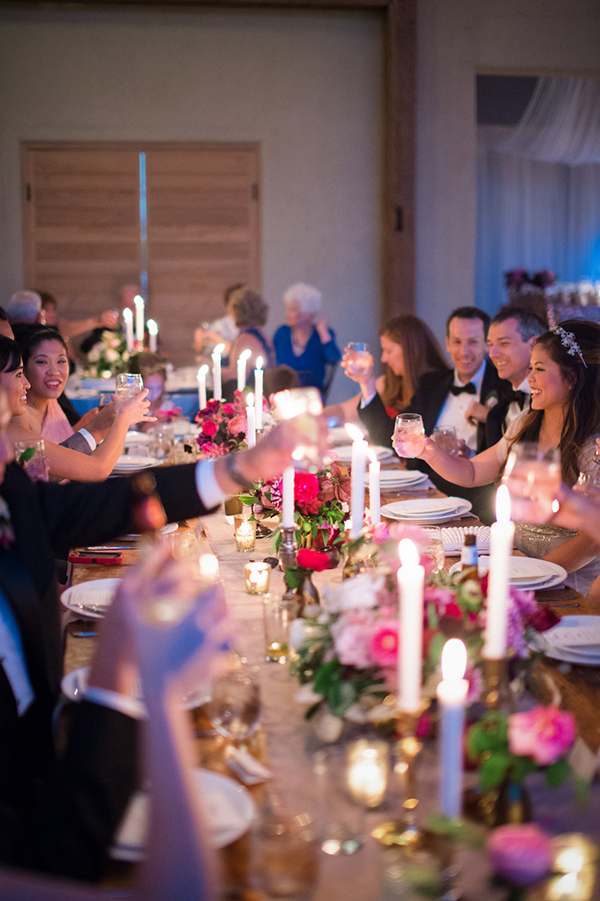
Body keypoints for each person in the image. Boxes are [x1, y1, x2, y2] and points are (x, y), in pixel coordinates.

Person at [0, 380, 325, 881]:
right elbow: (56, 856)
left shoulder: (10, 491)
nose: (14, 446)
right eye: (0, 426)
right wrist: (121, 671)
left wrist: (238, 469)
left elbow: (93, 506)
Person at [419, 321, 600, 593]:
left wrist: (531, 574)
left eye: (539, 369)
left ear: (572, 378)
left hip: (566, 589)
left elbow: (592, 541)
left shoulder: (592, 445)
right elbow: (472, 472)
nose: (531, 379)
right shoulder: (526, 424)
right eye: (531, 369)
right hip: (520, 568)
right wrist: (427, 451)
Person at [3, 335, 152, 481]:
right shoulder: (11, 431)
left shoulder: (51, 402)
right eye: (18, 374)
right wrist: (122, 418)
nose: (26, 384)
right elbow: (98, 469)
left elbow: (43, 474)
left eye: (61, 361)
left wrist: (95, 429)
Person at [328, 314, 449, 430]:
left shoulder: (439, 387)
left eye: (389, 351)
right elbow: (345, 411)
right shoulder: (387, 383)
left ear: (410, 351)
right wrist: (317, 418)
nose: (383, 359)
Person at [18, 328, 112, 450]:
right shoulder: (19, 417)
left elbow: (59, 445)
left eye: (61, 361)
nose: (54, 371)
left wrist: (84, 426)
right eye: (42, 362)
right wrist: (94, 431)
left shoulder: (50, 401)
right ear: (23, 368)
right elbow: (42, 463)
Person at [485, 306, 545, 446]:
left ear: (533, 345)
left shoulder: (554, 400)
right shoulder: (498, 408)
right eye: (491, 345)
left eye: (504, 343)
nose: (493, 354)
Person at [273, 283, 341, 397]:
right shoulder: (282, 333)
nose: (288, 314)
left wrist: (324, 335)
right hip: (283, 394)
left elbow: (334, 359)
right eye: (287, 309)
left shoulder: (321, 334)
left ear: (309, 313)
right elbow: (271, 362)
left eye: (294, 310)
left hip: (312, 395)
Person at [221, 288, 275, 398]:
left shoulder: (245, 339)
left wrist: (214, 370)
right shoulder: (261, 334)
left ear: (236, 311)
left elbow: (236, 374)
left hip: (249, 397)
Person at [194, 282, 243, 360]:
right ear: (228, 306)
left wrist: (221, 342)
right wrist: (200, 345)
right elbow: (206, 356)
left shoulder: (254, 326)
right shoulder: (219, 326)